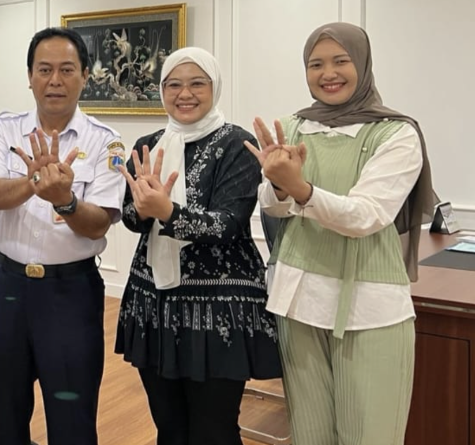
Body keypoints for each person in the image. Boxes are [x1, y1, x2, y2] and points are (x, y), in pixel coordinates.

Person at [247, 22, 435, 445]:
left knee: (370, 435)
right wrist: (279, 186)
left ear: (362, 64)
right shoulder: (292, 127)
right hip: (299, 301)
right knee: (309, 433)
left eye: (340, 61)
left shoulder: (397, 133)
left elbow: (366, 216)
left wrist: (299, 188)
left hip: (370, 308)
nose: (328, 73)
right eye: (316, 64)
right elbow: (273, 207)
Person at [115, 47, 282, 445]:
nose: (184, 94)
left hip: (219, 308)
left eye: (196, 84)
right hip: (154, 302)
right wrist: (143, 210)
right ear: (161, 90)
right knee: (169, 427)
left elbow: (227, 224)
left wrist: (167, 211)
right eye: (173, 85)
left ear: (215, 87)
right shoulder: (148, 144)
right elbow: (131, 218)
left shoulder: (238, 145)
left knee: (214, 430)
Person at [0, 27, 125, 445]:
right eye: (44, 70)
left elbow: (99, 222)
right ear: (29, 76)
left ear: (85, 76)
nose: (54, 80)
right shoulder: (5, 131)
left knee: (72, 421)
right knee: (5, 415)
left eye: (66, 70)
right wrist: (33, 183)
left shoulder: (106, 142)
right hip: (8, 289)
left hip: (70, 294)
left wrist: (66, 201)